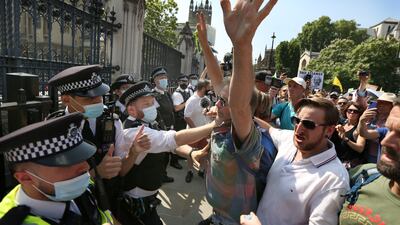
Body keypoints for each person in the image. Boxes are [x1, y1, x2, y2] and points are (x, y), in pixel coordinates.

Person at [193, 0, 277, 223]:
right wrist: (203, 43)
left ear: (246, 110)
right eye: (219, 99)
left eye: (226, 102)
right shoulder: (223, 121)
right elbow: (217, 79)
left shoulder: (246, 139)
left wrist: (242, 45)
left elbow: (238, 107)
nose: (218, 105)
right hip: (214, 217)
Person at [116, 81, 216, 225]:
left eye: (152, 102)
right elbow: (172, 139)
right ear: (131, 110)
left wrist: (191, 152)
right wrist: (214, 125)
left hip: (150, 195)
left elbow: (171, 144)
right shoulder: (133, 132)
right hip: (137, 199)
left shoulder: (150, 123)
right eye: (146, 104)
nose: (153, 107)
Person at [0, 113, 118, 224]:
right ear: (26, 178)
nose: (86, 167)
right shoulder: (12, 220)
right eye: (66, 164)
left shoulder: (75, 184)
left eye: (82, 157)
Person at [255, 97, 350, 225]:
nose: (298, 129)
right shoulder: (290, 140)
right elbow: (270, 129)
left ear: (329, 130)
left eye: (309, 125)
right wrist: (243, 114)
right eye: (297, 120)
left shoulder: (334, 180)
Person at [47, 65, 127, 214]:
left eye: (100, 95)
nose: (98, 102)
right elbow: (52, 182)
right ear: (66, 99)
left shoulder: (113, 121)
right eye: (90, 98)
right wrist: (96, 173)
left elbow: (122, 161)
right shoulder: (54, 131)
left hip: (111, 199)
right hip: (76, 206)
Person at [339, 98, 400, 224]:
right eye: (390, 130)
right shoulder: (364, 174)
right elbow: (365, 133)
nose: (384, 142)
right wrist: (362, 121)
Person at [150, 66, 176, 183]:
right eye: (161, 77)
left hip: (169, 128)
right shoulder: (152, 95)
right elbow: (155, 115)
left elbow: (171, 110)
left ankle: (163, 175)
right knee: (160, 157)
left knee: (166, 155)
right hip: (160, 130)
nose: (164, 79)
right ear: (154, 80)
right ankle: (158, 177)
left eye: (165, 77)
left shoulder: (166, 93)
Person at [184, 79, 211, 182]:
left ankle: (201, 170)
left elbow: (207, 112)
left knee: (204, 152)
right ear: (203, 88)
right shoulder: (192, 100)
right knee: (191, 153)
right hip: (193, 132)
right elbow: (186, 117)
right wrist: (196, 130)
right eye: (209, 87)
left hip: (204, 131)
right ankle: (190, 171)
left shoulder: (206, 99)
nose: (210, 89)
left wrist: (207, 112)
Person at [357, 92, 396, 163]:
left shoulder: (393, 123)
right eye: (379, 103)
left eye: (385, 103)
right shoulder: (371, 118)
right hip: (367, 155)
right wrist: (362, 120)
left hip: (385, 158)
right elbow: (360, 133)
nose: (380, 105)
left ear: (392, 106)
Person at [335, 102, 367, 168]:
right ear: (346, 111)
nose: (352, 113)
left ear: (359, 114)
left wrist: (346, 139)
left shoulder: (360, 128)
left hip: (351, 164)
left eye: (355, 111)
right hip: (337, 161)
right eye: (350, 110)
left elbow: (360, 148)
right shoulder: (342, 124)